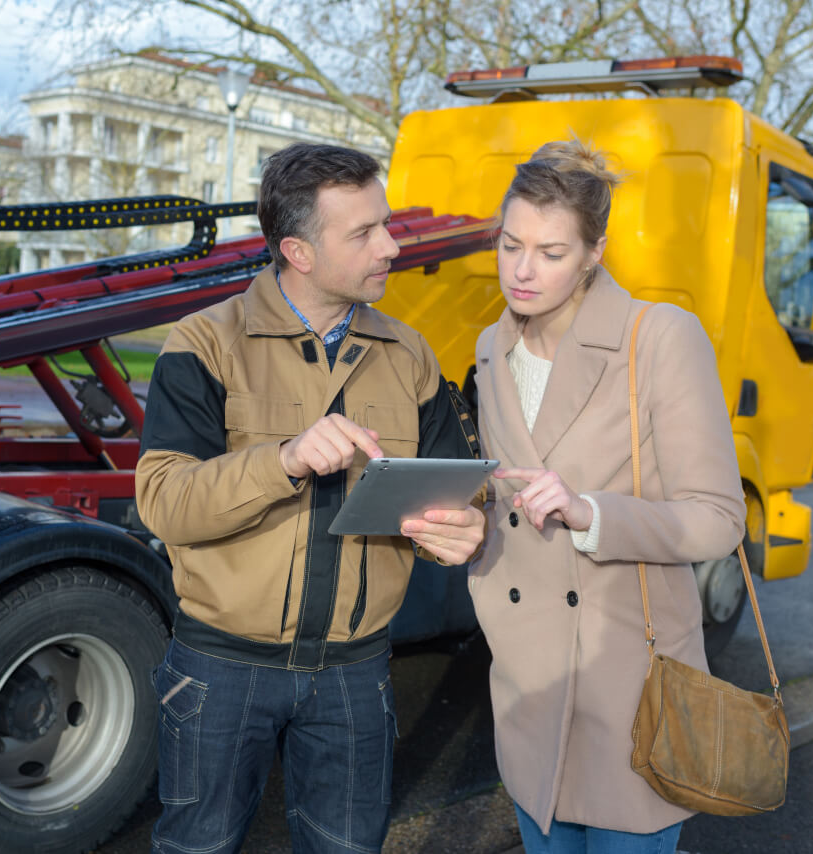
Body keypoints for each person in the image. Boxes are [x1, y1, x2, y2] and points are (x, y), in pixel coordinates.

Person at [135, 142, 486, 853]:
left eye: (384, 224)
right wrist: (284, 459)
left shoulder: (412, 355)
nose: (392, 245)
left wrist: (462, 531)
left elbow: (452, 492)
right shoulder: (204, 343)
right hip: (219, 671)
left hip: (356, 674)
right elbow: (166, 503)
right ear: (297, 249)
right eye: (363, 233)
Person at [468, 140, 747, 853]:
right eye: (510, 244)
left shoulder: (658, 338)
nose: (523, 270)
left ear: (595, 251)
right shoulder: (490, 347)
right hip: (528, 688)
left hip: (629, 693)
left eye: (552, 252)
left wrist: (591, 513)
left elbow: (717, 520)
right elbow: (505, 505)